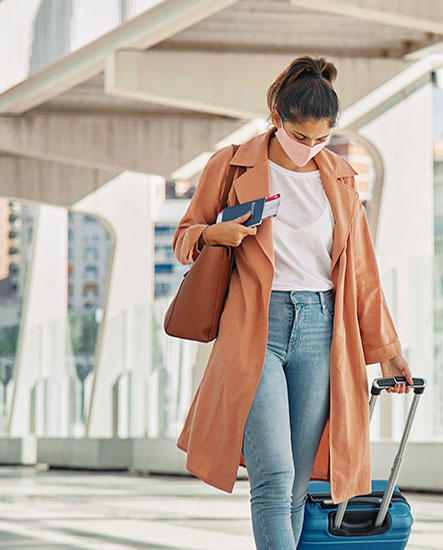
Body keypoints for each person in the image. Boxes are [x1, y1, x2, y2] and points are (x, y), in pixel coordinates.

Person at [172, 55, 415, 550]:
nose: (309, 148)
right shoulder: (232, 163)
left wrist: (390, 352)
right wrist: (213, 233)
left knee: (299, 483)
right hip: (256, 327)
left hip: (322, 329)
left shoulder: (341, 179)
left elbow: (362, 273)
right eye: (300, 136)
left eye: (320, 139)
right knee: (274, 474)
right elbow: (183, 239)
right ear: (277, 119)